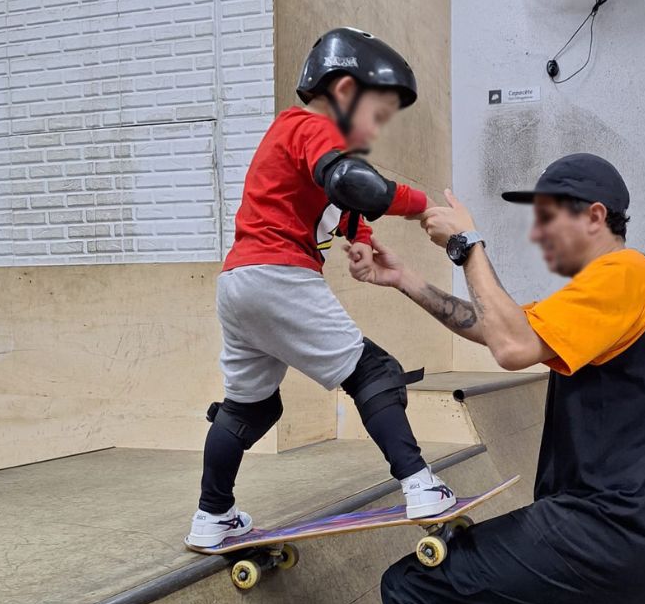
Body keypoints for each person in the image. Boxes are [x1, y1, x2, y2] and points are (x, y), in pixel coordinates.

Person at [348, 153, 645, 604]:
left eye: (548, 216)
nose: (537, 233)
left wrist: (466, 243)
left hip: (603, 530)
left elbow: (512, 347)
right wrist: (406, 280)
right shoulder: (613, 293)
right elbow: (500, 328)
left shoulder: (626, 274)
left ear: (594, 215)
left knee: (414, 590)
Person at [185, 27, 456, 548]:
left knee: (250, 407)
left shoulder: (292, 140)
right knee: (373, 371)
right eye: (376, 116)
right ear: (346, 91)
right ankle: (421, 485)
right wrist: (424, 205)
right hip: (280, 276)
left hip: (239, 284)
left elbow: (337, 206)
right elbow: (354, 183)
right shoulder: (311, 124)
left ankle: (212, 515)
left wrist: (362, 239)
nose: (374, 132)